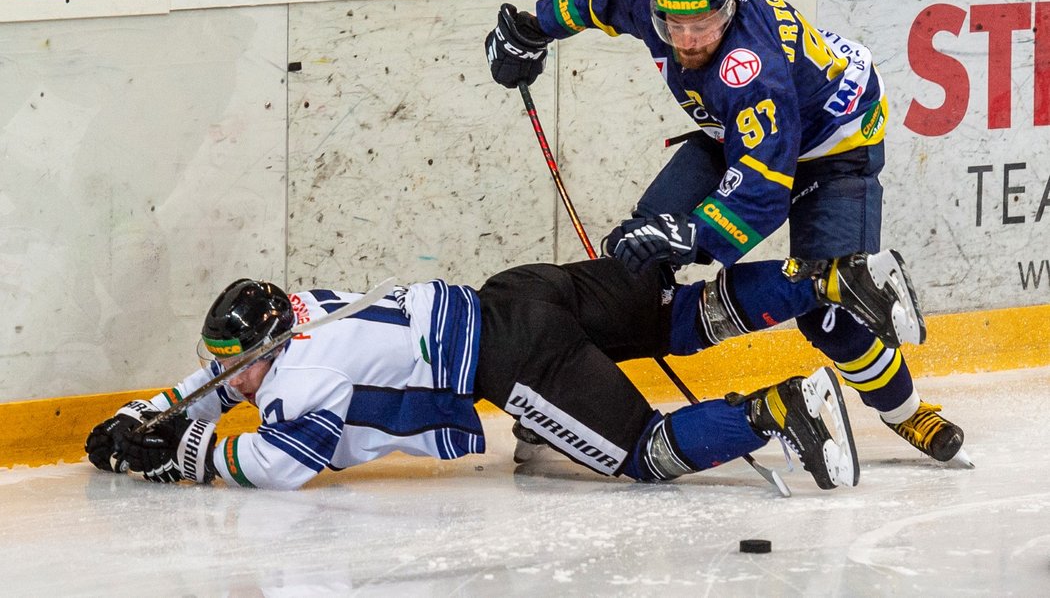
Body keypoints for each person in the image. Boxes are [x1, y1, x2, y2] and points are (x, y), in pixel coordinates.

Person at [484, 0, 969, 466]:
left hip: (835, 145)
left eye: (704, 26)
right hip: (738, 135)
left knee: (832, 309)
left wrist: (696, 235)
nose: (688, 40)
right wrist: (533, 29)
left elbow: (764, 187)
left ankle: (907, 412)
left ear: (731, 5)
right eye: (675, 26)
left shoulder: (752, 68)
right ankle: (569, 399)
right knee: (637, 257)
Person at [85, 257, 867, 491]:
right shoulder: (303, 311)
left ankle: (780, 408)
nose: (229, 377)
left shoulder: (297, 379)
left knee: (642, 453)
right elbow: (241, 375)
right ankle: (830, 277)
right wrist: (154, 407)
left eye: (235, 365)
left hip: (516, 359)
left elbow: (282, 459)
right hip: (519, 291)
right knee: (681, 315)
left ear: (269, 349)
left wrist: (189, 455)